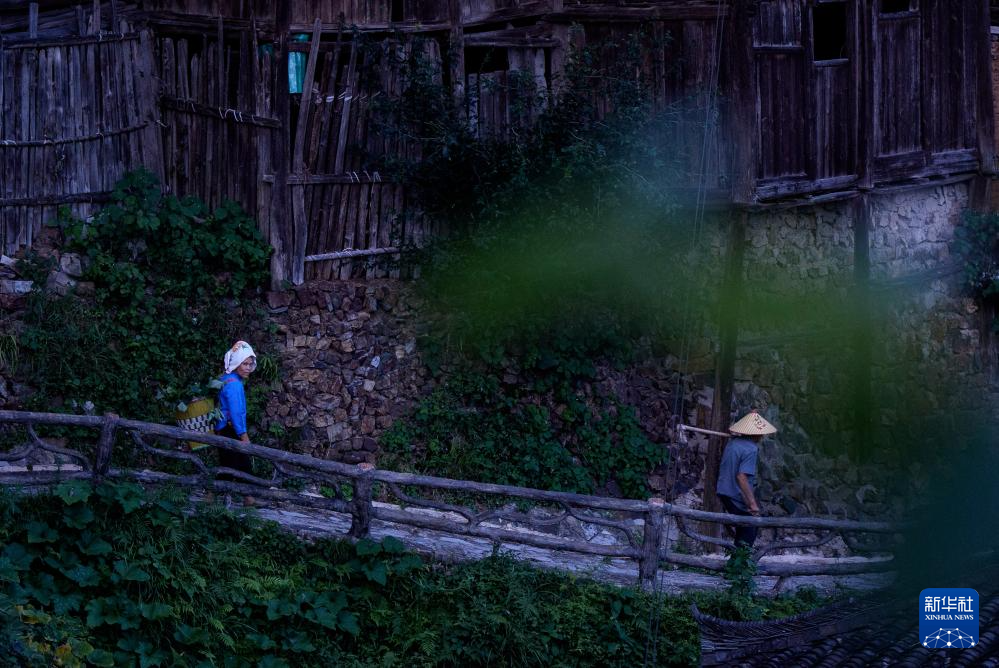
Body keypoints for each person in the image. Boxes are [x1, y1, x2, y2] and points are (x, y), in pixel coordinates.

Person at [716, 410, 777, 548]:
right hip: (734, 495)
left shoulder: (733, 442)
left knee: (743, 530)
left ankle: (737, 564)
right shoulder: (751, 449)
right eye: (761, 432)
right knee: (749, 529)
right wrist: (752, 503)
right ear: (756, 433)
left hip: (723, 491)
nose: (762, 435)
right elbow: (742, 477)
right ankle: (740, 566)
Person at [214, 340, 257, 477]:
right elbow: (236, 413)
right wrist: (243, 435)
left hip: (221, 427)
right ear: (236, 363)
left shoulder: (225, 378)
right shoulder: (235, 385)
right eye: (244, 364)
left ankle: (246, 497)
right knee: (241, 464)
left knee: (228, 462)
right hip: (230, 428)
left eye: (250, 364)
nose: (248, 368)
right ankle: (248, 496)